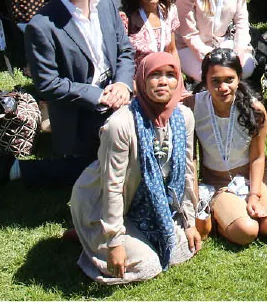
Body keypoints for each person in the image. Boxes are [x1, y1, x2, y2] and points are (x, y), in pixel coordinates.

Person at [0, 0, 134, 204]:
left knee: (133, 154)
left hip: (117, 97)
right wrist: (98, 96)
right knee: (111, 168)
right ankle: (18, 169)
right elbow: (48, 84)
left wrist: (122, 85)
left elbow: (125, 52)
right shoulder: (42, 25)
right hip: (80, 113)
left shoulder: (106, 5)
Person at [67, 51, 199, 284]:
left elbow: (188, 170)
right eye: (155, 75)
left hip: (150, 204)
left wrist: (189, 222)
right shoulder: (120, 124)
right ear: (141, 79)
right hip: (103, 203)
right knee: (148, 266)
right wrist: (115, 242)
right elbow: (113, 186)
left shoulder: (184, 116)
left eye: (170, 75)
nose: (163, 81)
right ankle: (94, 235)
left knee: (183, 251)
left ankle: (93, 237)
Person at [192, 49, 267, 244]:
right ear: (205, 82)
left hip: (255, 173)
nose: (223, 87)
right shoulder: (193, 106)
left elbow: (257, 156)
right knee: (246, 231)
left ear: (239, 78)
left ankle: (240, 206)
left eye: (229, 79)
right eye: (215, 81)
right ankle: (221, 209)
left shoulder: (255, 109)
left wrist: (254, 195)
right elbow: (191, 158)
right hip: (218, 181)